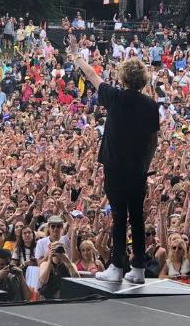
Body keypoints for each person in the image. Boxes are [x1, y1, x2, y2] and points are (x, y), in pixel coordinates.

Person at [68, 34, 159, 284]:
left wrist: (76, 54)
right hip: (138, 170)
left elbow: (91, 75)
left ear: (121, 77)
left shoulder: (114, 97)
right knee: (137, 217)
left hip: (116, 168)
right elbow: (154, 141)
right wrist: (145, 164)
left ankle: (117, 266)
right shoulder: (152, 105)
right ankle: (138, 268)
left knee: (119, 217)